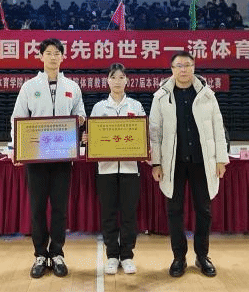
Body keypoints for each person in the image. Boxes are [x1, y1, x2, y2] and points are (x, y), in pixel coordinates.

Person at [10, 38, 86, 279]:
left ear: (63, 57)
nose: (53, 57)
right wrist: (17, 149)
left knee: (60, 208)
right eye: (49, 53)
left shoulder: (72, 86)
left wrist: (79, 121)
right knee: (38, 207)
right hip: (36, 157)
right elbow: (17, 119)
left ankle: (58, 253)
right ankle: (40, 255)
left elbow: (81, 114)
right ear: (41, 57)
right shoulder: (29, 87)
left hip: (63, 156)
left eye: (57, 53)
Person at [150, 51, 228, 278]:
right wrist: (156, 163)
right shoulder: (161, 96)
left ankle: (202, 256)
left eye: (187, 65)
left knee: (204, 210)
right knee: (174, 211)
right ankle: (179, 257)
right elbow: (155, 132)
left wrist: (221, 159)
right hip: (172, 163)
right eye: (179, 65)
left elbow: (218, 127)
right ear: (172, 69)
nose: (183, 69)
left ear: (194, 67)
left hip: (202, 161)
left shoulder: (207, 94)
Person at [89, 63, 146, 275]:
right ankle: (112, 255)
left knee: (129, 214)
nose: (117, 81)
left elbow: (144, 134)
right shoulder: (99, 108)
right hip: (106, 169)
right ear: (107, 81)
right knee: (109, 214)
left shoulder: (136, 106)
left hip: (130, 169)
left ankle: (127, 255)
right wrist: (88, 138)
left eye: (121, 77)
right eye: (114, 77)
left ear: (127, 80)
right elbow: (93, 137)